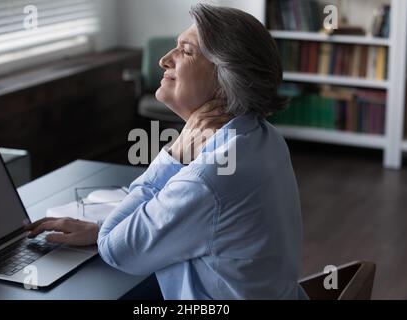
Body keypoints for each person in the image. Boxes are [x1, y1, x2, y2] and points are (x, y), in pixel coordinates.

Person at [27, 4, 307, 300]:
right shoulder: (263, 136)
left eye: (185, 51)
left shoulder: (209, 178)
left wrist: (175, 155)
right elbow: (201, 227)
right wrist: (101, 228)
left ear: (226, 80)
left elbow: (115, 250)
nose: (163, 60)